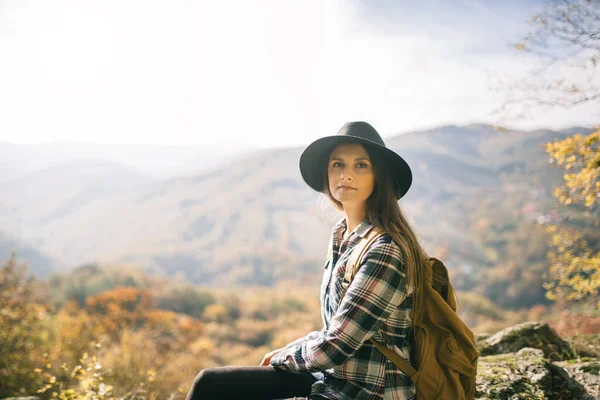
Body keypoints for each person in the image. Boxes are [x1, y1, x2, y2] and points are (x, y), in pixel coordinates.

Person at [185, 121, 429, 400]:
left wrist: (285, 357)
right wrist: (291, 347)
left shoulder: (385, 249)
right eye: (337, 164)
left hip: (366, 392)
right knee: (211, 383)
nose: (346, 174)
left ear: (379, 177)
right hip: (333, 378)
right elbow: (334, 328)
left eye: (361, 165)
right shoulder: (343, 236)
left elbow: (338, 345)